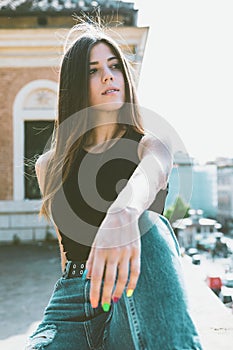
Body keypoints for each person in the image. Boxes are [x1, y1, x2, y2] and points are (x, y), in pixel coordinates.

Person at [26, 21, 203, 350]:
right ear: (76, 85)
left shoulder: (151, 144)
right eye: (93, 70)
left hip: (135, 287)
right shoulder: (48, 165)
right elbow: (67, 257)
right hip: (73, 303)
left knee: (147, 225)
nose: (108, 76)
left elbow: (152, 173)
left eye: (114, 66)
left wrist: (122, 214)